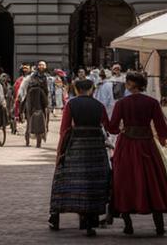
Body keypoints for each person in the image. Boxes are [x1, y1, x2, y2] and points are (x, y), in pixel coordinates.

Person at [107, 71, 167, 236]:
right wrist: (162, 140)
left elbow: (112, 127)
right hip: (147, 145)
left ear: (130, 84)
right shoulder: (152, 102)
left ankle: (128, 225)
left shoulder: (122, 103)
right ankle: (159, 225)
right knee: (152, 181)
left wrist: (119, 128)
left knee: (125, 181)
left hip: (127, 145)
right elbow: (162, 127)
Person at [48, 78, 111, 236]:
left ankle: (55, 216)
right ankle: (90, 222)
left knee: (62, 179)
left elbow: (65, 129)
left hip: (76, 147)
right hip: (96, 149)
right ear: (92, 89)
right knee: (93, 183)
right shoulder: (99, 106)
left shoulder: (71, 104)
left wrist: (59, 152)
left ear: (76, 90)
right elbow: (108, 126)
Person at [22, 66, 51, 148]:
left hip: (30, 111)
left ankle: (27, 142)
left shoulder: (29, 90)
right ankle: (38, 144)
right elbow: (45, 103)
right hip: (39, 110)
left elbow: (24, 100)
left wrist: (21, 111)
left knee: (28, 126)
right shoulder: (40, 90)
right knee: (39, 128)